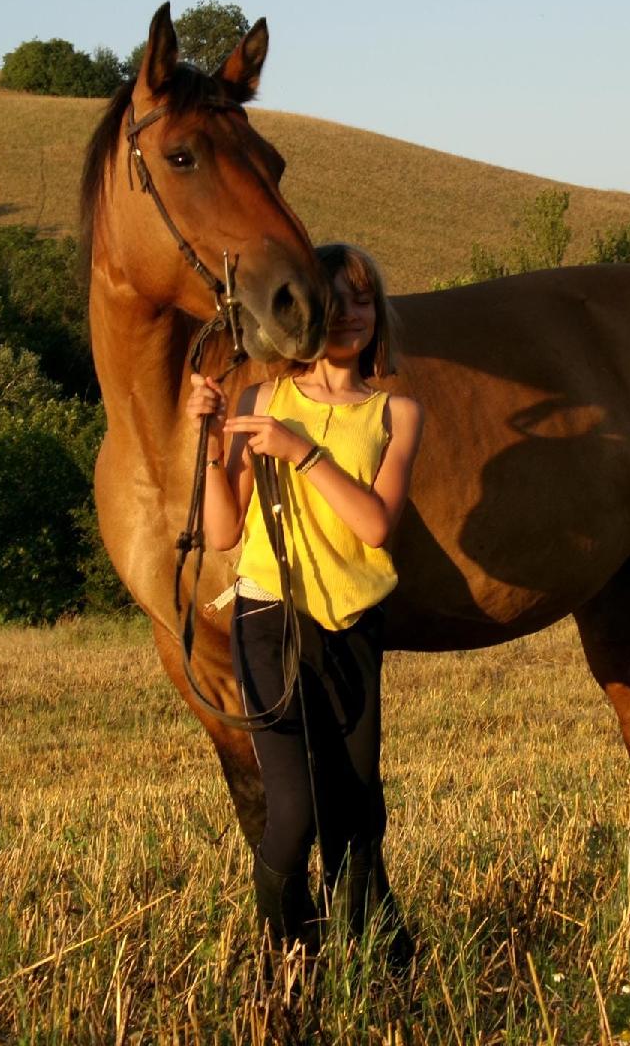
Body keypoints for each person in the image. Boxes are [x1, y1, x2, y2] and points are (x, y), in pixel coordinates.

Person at [186, 243, 424, 960]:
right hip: (268, 619)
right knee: (291, 815)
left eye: (363, 299)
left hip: (351, 627)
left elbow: (377, 525)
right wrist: (204, 440)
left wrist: (304, 455)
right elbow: (224, 528)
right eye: (336, 299)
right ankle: (287, 957)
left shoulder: (396, 412)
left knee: (357, 811)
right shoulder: (264, 399)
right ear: (309, 313)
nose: (351, 314)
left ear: (377, 315)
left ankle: (372, 957)